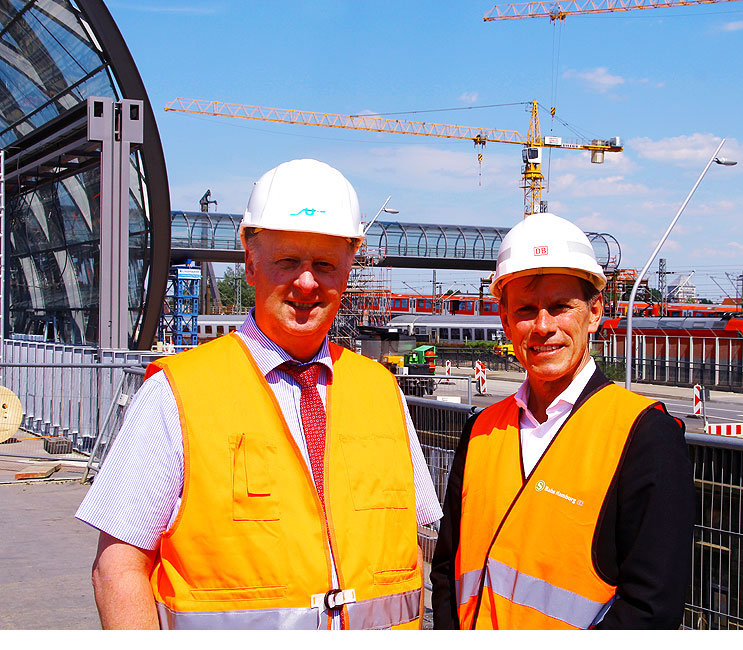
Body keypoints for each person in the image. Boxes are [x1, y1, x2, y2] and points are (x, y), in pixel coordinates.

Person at [76, 159, 442, 630]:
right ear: (250, 262)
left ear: (349, 269)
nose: (307, 283)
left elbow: (408, 542)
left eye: (325, 264)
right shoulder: (176, 395)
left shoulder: (381, 393)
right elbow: (117, 567)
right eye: (288, 261)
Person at [430, 212, 695, 630]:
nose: (542, 327)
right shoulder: (481, 429)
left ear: (594, 313)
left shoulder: (644, 435)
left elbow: (651, 610)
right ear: (504, 320)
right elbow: (447, 570)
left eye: (560, 307)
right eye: (525, 310)